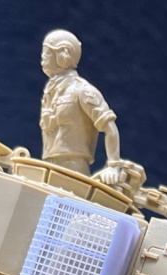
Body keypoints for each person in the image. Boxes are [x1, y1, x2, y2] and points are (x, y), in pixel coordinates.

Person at [38, 29, 127, 184]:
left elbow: (109, 127)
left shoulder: (83, 91)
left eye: (47, 52)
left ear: (63, 56)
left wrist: (113, 166)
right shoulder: (50, 92)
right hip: (49, 166)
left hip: (73, 170)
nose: (43, 57)